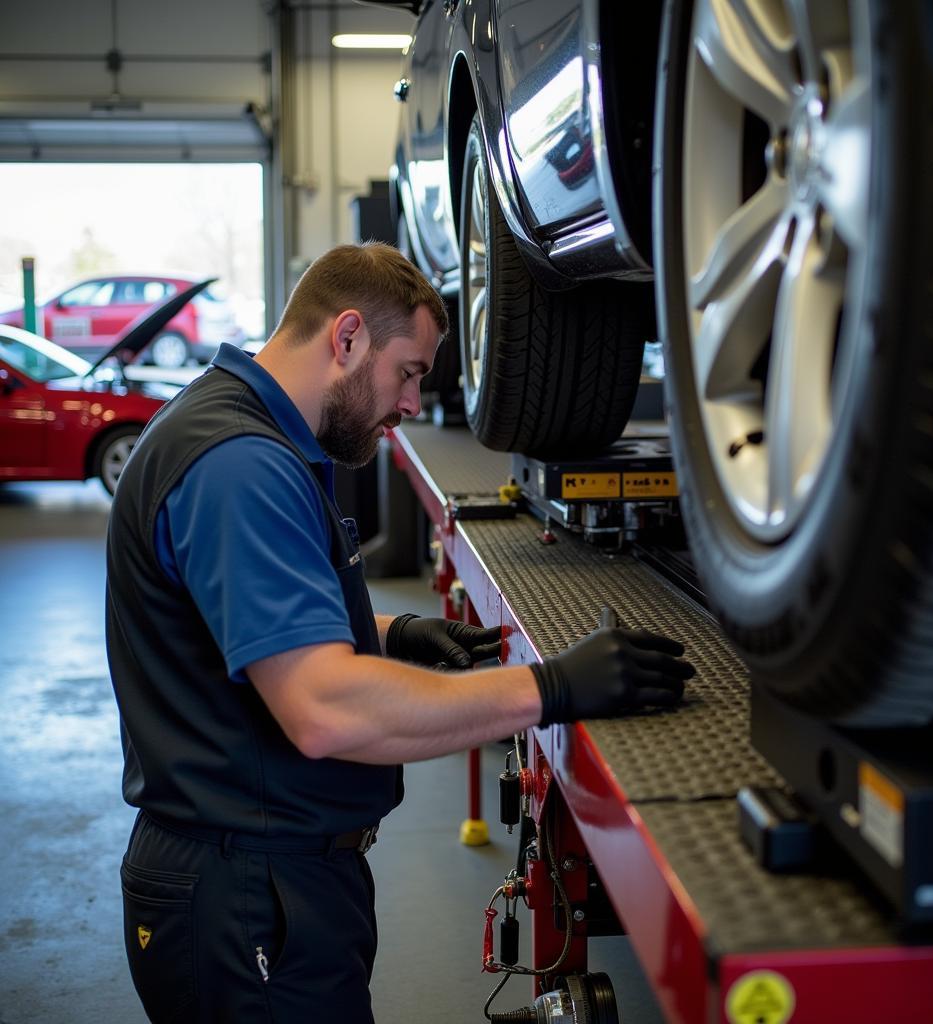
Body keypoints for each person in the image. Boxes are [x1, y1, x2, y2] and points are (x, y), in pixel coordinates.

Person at [105, 242, 693, 1023]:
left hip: (267, 876)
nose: (414, 403)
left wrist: (393, 632)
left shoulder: (244, 432)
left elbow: (244, 622)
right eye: (408, 372)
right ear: (346, 337)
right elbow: (323, 709)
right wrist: (549, 689)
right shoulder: (240, 465)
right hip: (245, 896)